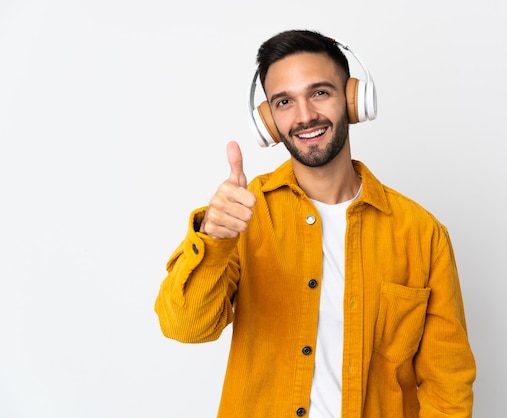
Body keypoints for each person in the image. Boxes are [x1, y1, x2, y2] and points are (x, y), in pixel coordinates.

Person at [155, 29, 476, 417]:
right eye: (284, 101)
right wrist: (214, 239)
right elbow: (186, 328)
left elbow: (448, 384)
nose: (304, 116)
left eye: (320, 93)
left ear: (354, 100)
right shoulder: (242, 216)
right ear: (269, 122)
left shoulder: (421, 233)